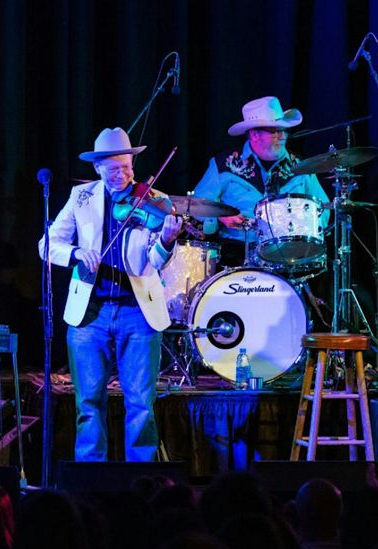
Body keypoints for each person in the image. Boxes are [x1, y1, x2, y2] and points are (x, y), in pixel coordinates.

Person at [39, 127, 182, 461]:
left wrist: (167, 240)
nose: (123, 175)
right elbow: (47, 244)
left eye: (127, 167)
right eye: (114, 169)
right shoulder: (82, 198)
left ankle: (143, 479)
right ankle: (90, 477)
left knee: (140, 403)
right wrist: (75, 254)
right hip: (91, 313)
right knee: (88, 403)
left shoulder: (153, 200)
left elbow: (155, 261)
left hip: (138, 311)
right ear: (98, 168)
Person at [191, 96, 330, 265]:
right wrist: (221, 218)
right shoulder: (223, 165)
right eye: (275, 131)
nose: (282, 136)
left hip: (289, 259)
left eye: (284, 130)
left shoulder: (302, 166)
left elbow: (323, 208)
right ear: (254, 135)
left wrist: (307, 232)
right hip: (235, 257)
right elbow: (196, 207)